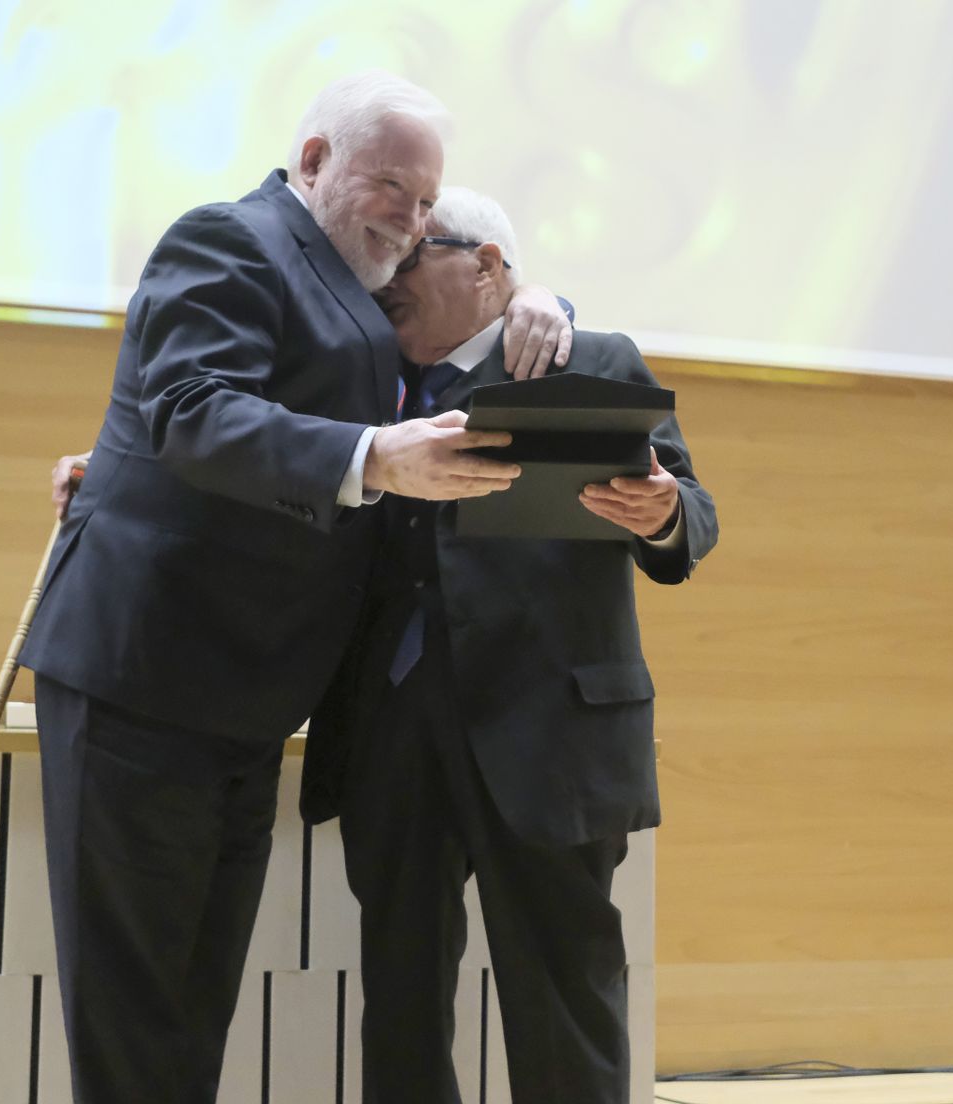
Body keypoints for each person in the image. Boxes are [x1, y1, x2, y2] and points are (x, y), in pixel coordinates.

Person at [18, 73, 569, 1104]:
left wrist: (539, 297)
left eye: (425, 204)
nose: (410, 223)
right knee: (137, 1005)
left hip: (244, 700)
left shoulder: (354, 271)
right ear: (313, 160)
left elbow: (468, 285)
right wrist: (371, 453)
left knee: (193, 1000)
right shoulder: (231, 238)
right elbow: (188, 407)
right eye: (392, 189)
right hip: (146, 676)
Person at [301, 186, 719, 1104]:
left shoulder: (591, 359)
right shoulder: (368, 376)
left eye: (410, 260)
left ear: (489, 267)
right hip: (389, 732)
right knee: (399, 998)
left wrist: (658, 514)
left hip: (550, 735)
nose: (387, 280)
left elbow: (694, 514)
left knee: (565, 993)